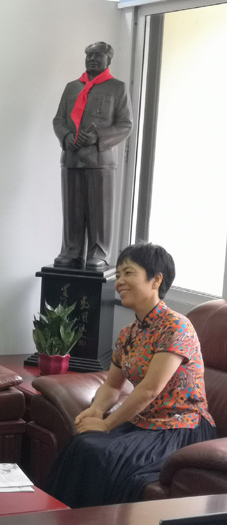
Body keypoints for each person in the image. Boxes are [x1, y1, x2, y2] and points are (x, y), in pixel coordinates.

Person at [46, 242, 217, 507]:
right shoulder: (129, 333)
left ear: (156, 280)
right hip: (144, 423)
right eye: (119, 274)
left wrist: (106, 425)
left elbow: (150, 389)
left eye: (128, 273)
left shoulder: (177, 327)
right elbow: (112, 386)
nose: (119, 282)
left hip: (180, 428)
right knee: (81, 444)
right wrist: (96, 411)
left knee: (102, 454)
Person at [52, 42, 133, 270]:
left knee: (100, 211)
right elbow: (59, 119)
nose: (92, 59)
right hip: (72, 158)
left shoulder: (117, 88)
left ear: (108, 60)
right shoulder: (72, 87)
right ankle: (72, 251)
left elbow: (125, 125)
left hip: (101, 161)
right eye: (89, 55)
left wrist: (98, 137)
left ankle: (99, 252)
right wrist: (67, 136)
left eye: (98, 55)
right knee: (72, 210)